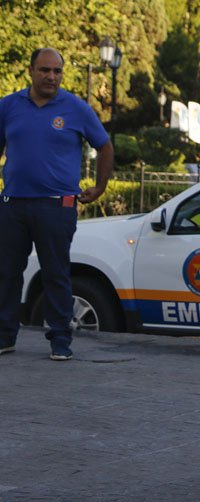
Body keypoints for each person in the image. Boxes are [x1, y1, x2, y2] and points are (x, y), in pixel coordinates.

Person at [0, 48, 113, 361]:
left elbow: (104, 145)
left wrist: (100, 187)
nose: (51, 76)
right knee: (7, 272)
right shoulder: (8, 106)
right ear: (31, 70)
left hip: (56, 206)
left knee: (56, 273)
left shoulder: (76, 108)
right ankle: (5, 336)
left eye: (57, 71)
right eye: (45, 70)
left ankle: (60, 340)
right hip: (13, 206)